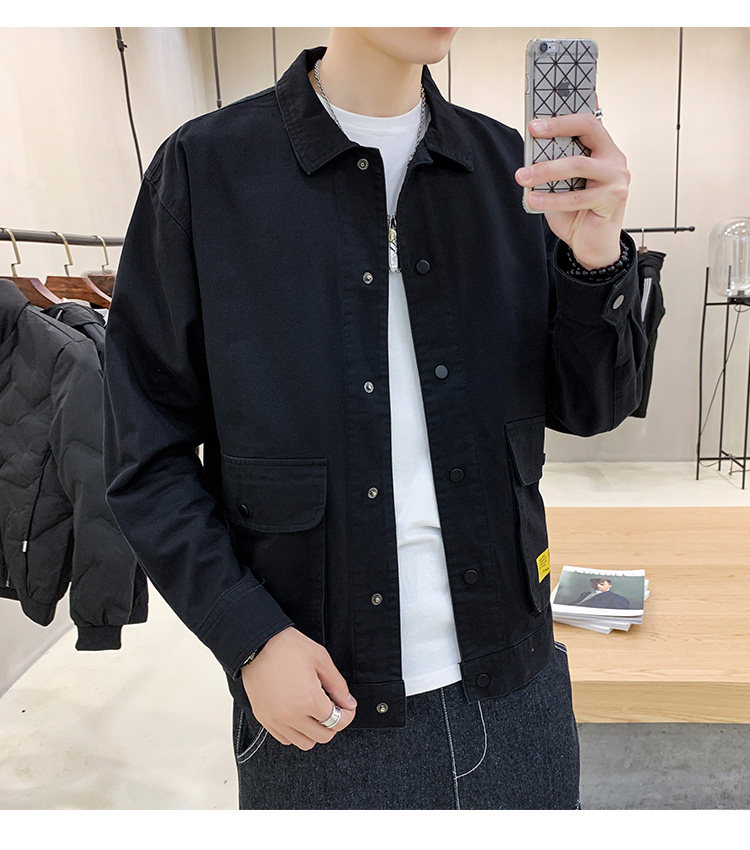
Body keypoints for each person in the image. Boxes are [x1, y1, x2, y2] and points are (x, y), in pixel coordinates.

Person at [102, 27, 644, 809]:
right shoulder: (207, 169)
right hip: (323, 708)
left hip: (517, 691)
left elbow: (592, 406)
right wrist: (249, 635)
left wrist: (596, 259)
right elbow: (145, 455)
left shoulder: (510, 168)